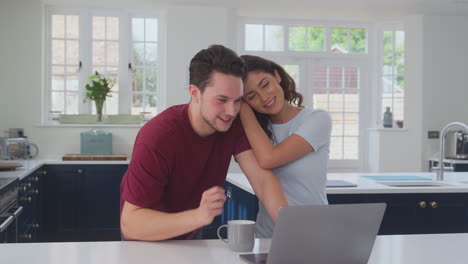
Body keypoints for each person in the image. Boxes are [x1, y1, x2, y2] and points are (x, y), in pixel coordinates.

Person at [120, 45, 288, 241]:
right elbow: (131, 224)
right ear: (195, 93)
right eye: (222, 100)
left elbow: (263, 180)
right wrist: (198, 216)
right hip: (146, 241)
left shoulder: (232, 125)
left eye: (237, 101)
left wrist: (291, 228)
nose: (232, 111)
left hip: (192, 234)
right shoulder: (158, 135)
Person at [239, 55, 332, 238]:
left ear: (277, 75)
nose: (264, 97)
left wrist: (242, 107)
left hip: (315, 234)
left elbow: (269, 159)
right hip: (268, 237)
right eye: (251, 96)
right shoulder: (252, 131)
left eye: (265, 84)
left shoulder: (317, 119)